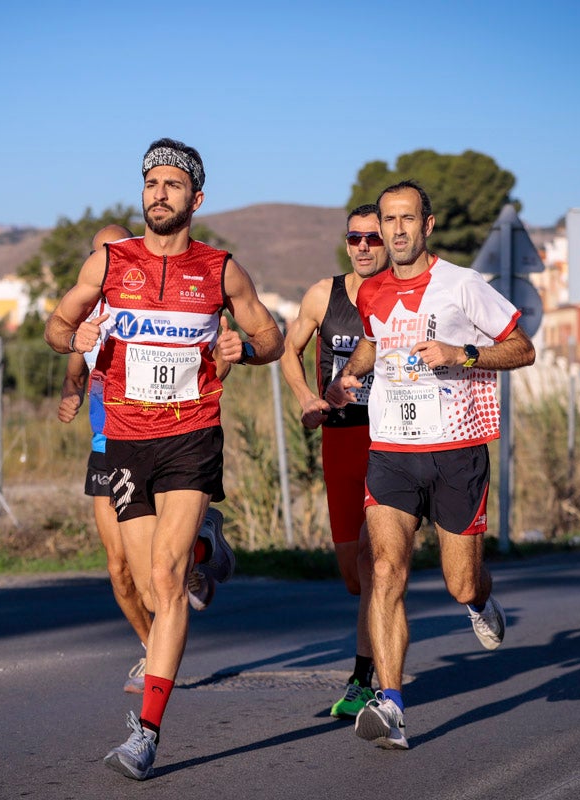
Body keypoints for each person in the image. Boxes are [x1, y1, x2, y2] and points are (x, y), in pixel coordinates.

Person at [45, 137, 284, 780]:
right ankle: (209, 539)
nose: (159, 193)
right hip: (124, 440)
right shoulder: (108, 263)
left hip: (191, 435)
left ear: (195, 199)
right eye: (151, 183)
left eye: (173, 185)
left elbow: (271, 337)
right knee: (146, 576)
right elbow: (55, 325)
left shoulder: (221, 268)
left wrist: (246, 352)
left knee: (168, 578)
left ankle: (146, 732)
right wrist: (76, 335)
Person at [324, 180, 535, 750]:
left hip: (456, 451)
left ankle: (481, 600)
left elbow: (522, 347)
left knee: (458, 582)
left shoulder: (463, 286)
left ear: (427, 225)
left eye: (406, 219)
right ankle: (390, 704)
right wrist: (351, 374)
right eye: (388, 220)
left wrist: (462, 353)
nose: (394, 230)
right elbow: (373, 339)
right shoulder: (371, 291)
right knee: (386, 571)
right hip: (391, 449)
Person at [57, 223, 238, 695]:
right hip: (109, 443)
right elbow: (75, 364)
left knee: (163, 566)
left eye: (119, 250)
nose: (114, 259)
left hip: (170, 436)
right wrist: (70, 395)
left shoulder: (149, 299)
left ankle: (195, 553)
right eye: (104, 252)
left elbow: (195, 357)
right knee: (121, 570)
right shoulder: (89, 308)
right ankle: (151, 643)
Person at [278, 203, 388, 719]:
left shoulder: (404, 296)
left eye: (373, 238)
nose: (364, 247)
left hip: (393, 442)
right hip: (341, 440)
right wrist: (306, 398)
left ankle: (367, 678)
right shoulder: (325, 295)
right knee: (352, 575)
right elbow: (287, 349)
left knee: (377, 564)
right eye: (355, 238)